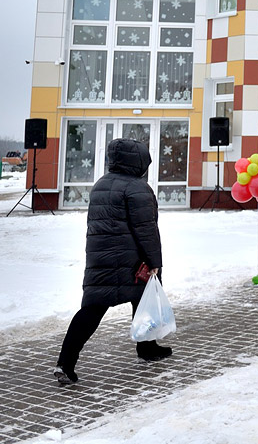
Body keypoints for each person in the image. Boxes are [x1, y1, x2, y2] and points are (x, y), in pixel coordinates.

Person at [54, 138, 171, 385]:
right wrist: (154, 262)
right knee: (144, 299)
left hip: (101, 260)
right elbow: (146, 229)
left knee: (92, 310)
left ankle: (65, 362)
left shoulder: (100, 185)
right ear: (138, 162)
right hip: (131, 260)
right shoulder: (138, 188)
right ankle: (146, 348)